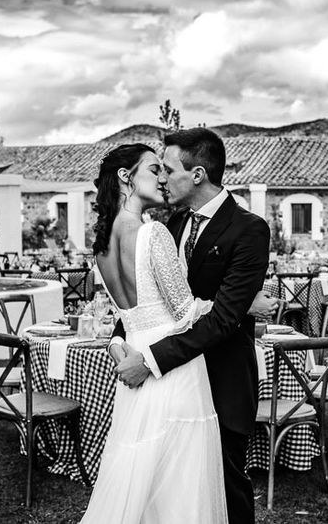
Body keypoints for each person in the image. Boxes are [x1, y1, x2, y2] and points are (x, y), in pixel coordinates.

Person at [115, 127, 271, 524]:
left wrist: (149, 361)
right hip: (175, 389)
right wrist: (120, 339)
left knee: (225, 490)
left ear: (197, 174)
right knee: (172, 496)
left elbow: (222, 321)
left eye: (167, 169)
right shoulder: (173, 223)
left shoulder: (248, 229)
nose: (162, 178)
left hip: (221, 381)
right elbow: (152, 297)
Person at [79, 143, 227, 523]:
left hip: (135, 357)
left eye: (165, 170)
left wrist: (120, 349)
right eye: (154, 169)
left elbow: (126, 318)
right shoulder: (153, 232)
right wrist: (240, 304)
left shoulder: (101, 244)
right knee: (178, 478)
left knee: (140, 471)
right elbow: (185, 313)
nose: (163, 178)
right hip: (171, 366)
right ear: (126, 177)